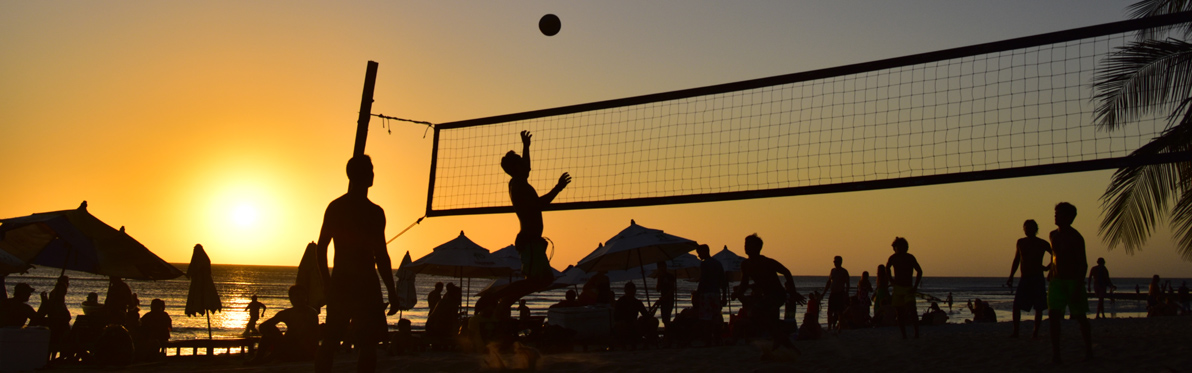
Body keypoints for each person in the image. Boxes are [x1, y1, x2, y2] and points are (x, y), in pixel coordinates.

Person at [314, 154, 400, 373]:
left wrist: (327, 282)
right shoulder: (371, 212)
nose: (373, 174)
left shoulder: (340, 207)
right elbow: (381, 255)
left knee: (341, 342)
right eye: (370, 170)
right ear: (359, 175)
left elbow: (322, 248)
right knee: (360, 344)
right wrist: (391, 290)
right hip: (361, 283)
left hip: (347, 282)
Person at [477, 130, 571, 317]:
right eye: (521, 162)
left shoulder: (518, 181)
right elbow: (539, 205)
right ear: (516, 168)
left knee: (542, 280)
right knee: (539, 280)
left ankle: (505, 299)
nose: (525, 166)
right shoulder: (520, 186)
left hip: (531, 240)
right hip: (529, 240)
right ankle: (497, 295)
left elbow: (526, 168)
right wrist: (558, 188)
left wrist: (526, 146)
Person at [733, 234, 798, 353]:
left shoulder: (767, 262)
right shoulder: (745, 265)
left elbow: (786, 272)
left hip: (778, 295)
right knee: (767, 321)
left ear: (757, 248)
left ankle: (781, 335)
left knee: (757, 312)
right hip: (767, 297)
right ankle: (786, 344)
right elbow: (744, 283)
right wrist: (738, 293)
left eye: (749, 245)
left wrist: (793, 292)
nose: (746, 247)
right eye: (745, 245)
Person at [1047, 202, 1092, 364]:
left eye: (1059, 214)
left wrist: (1078, 285)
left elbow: (1083, 263)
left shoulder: (1076, 237)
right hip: (1056, 281)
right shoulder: (1053, 235)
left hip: (1073, 280)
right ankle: (1056, 354)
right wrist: (1051, 272)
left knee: (1080, 317)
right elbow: (1055, 257)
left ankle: (1089, 350)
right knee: (1053, 317)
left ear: (1069, 218)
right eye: (1055, 213)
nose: (1055, 216)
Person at [1006, 219, 1051, 338]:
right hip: (1024, 278)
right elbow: (1017, 260)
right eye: (1026, 228)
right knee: (1016, 305)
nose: (1028, 230)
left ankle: (1035, 332)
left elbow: (1056, 255)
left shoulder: (1042, 243)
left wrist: (1048, 267)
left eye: (1030, 228)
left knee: (1039, 307)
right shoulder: (1020, 242)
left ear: (1036, 229)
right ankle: (1016, 331)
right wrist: (1011, 275)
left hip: (1037, 278)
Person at [252, 285, 319, 364]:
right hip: (288, 348)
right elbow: (263, 327)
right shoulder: (286, 313)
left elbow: (306, 336)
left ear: (306, 297)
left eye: (302, 295)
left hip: (305, 352)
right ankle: (259, 358)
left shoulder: (311, 313)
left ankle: (271, 356)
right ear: (291, 298)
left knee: (287, 341)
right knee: (268, 333)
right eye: (296, 295)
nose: (299, 298)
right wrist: (275, 334)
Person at [886, 237, 923, 339]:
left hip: (908, 288)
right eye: (896, 247)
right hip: (898, 288)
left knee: (912, 310)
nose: (897, 249)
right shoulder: (893, 258)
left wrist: (915, 286)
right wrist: (891, 281)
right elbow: (887, 268)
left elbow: (919, 271)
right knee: (899, 313)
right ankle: (904, 335)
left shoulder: (910, 257)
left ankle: (916, 334)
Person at [693, 244, 727, 345]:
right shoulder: (718, 263)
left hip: (707, 294)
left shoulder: (704, 264)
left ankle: (708, 341)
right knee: (716, 318)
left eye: (699, 253)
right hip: (716, 294)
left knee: (706, 319)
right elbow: (723, 281)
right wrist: (724, 296)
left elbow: (703, 280)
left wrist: (698, 294)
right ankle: (717, 339)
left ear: (705, 251)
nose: (699, 256)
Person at [33, 276, 71, 360]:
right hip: (56, 331)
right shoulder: (52, 302)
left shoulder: (59, 303)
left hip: (60, 331)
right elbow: (39, 317)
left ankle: (55, 357)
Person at [613, 282, 650, 350]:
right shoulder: (621, 301)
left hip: (634, 323)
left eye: (633, 290)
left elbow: (646, 315)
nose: (631, 292)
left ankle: (646, 344)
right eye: (629, 290)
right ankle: (623, 344)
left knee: (651, 321)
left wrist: (641, 319)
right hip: (624, 323)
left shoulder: (637, 302)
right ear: (625, 291)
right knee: (621, 324)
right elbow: (616, 316)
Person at [822, 256, 851, 330]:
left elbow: (847, 284)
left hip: (840, 293)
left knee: (840, 312)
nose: (835, 263)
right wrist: (823, 293)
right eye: (834, 262)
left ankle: (840, 327)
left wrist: (846, 294)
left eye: (836, 262)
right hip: (833, 293)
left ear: (840, 262)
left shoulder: (844, 271)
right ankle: (829, 327)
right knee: (830, 311)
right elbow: (829, 282)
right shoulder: (833, 271)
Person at [655, 260, 677, 326]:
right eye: (660, 267)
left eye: (663, 266)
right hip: (663, 300)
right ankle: (667, 331)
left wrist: (665, 297)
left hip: (669, 299)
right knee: (664, 318)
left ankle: (668, 331)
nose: (661, 268)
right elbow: (658, 289)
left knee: (667, 317)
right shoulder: (660, 277)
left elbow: (672, 289)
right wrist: (659, 279)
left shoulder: (670, 276)